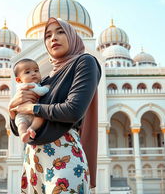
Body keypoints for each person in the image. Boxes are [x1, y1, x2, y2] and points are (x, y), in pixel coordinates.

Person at [9, 17, 101, 193]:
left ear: (72, 36)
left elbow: (74, 110)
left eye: (60, 32)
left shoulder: (84, 62)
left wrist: (33, 108)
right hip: (34, 161)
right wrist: (12, 110)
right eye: (48, 35)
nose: (53, 38)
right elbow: (17, 128)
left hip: (64, 156)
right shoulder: (46, 79)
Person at [12, 58, 49, 143]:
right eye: (27, 72)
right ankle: (31, 129)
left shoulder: (20, 86)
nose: (33, 74)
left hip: (21, 115)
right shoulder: (30, 85)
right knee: (40, 117)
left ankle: (24, 134)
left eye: (36, 70)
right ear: (18, 80)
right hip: (33, 112)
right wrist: (47, 88)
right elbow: (41, 92)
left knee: (21, 124)